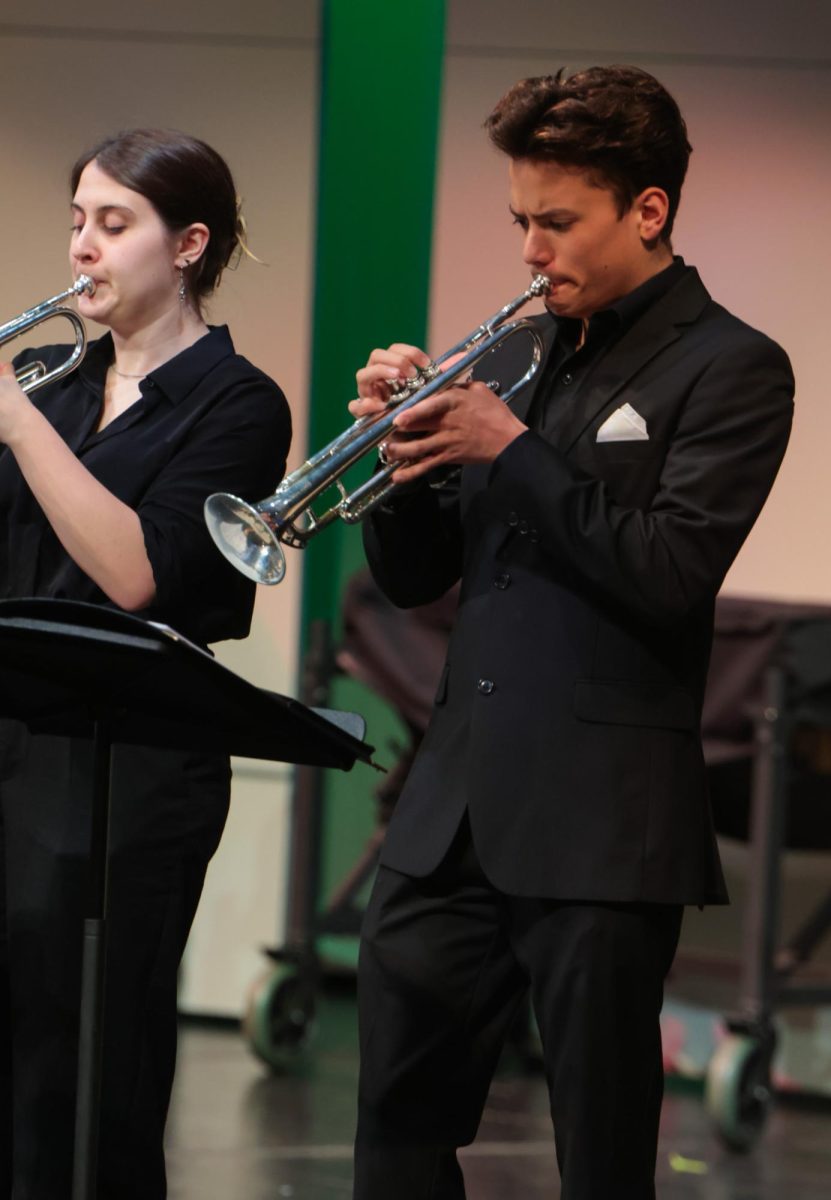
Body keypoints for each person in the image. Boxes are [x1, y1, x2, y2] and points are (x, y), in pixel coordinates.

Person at [349, 66, 794, 1199]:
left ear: (647, 211)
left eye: (558, 223)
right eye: (521, 223)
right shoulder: (517, 355)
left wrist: (515, 451)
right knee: (395, 1128)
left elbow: (669, 571)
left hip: (601, 830)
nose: (533, 251)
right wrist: (398, 466)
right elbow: (415, 580)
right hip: (448, 816)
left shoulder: (734, 366)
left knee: (599, 1158)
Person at [0, 129, 291, 1198]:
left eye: (113, 225)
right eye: (77, 221)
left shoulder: (239, 405)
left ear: (189, 246)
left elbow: (135, 572)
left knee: (84, 1075)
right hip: (16, 742)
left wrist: (14, 424)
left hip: (131, 765)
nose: (83, 247)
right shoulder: (56, 381)